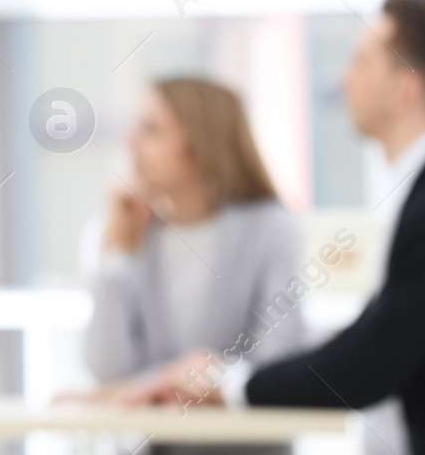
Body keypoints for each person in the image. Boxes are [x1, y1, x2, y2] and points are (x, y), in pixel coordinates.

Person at [145, 0, 425, 455]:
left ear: (404, 88)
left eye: (360, 62)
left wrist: (232, 383)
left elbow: (368, 366)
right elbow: (377, 336)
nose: (344, 78)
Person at [73, 77, 307, 455]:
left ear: (200, 143)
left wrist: (154, 385)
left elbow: (279, 363)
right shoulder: (127, 231)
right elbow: (108, 370)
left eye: (151, 130)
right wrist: (116, 254)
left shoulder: (271, 228)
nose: (131, 143)